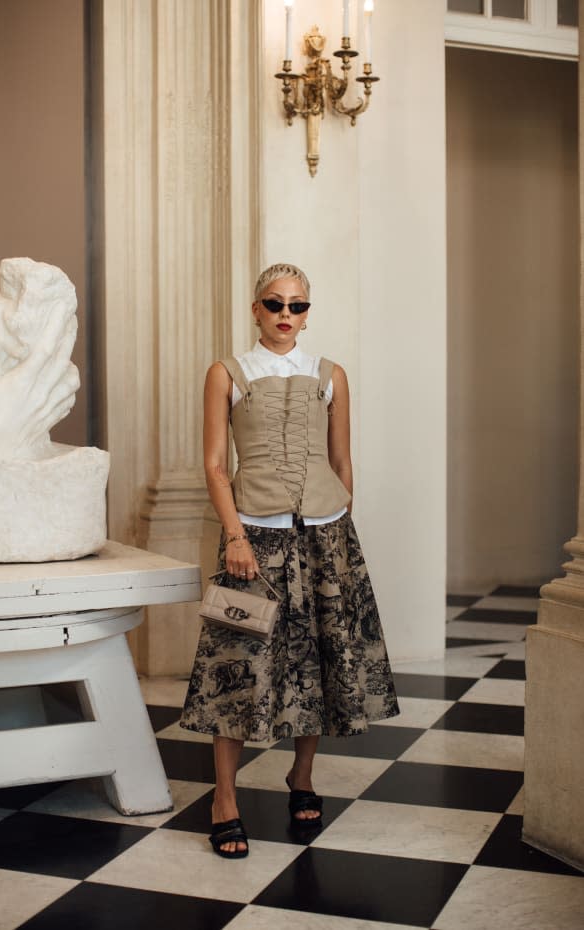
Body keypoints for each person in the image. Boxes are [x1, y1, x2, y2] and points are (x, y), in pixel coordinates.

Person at [180, 263, 399, 858]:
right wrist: (234, 536)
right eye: (274, 304)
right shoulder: (228, 372)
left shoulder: (330, 375)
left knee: (318, 660)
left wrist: (341, 525)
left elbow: (342, 461)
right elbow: (215, 466)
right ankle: (224, 798)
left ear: (307, 313)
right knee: (237, 660)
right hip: (252, 536)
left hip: (325, 538)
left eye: (297, 306)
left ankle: (301, 776)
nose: (285, 315)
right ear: (255, 309)